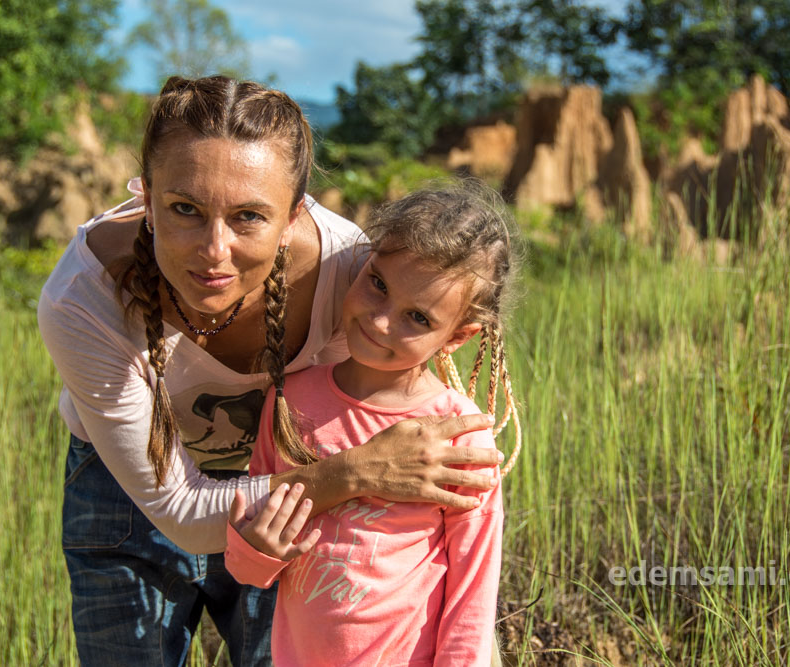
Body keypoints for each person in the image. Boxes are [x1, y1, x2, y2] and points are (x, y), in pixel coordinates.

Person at [37, 76, 501, 666]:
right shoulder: (82, 298)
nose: (214, 250)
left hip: (293, 476)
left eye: (249, 216)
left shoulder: (347, 272)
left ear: (293, 215)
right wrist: (356, 472)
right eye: (185, 209)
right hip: (133, 490)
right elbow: (180, 508)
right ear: (146, 196)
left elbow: (346, 418)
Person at [224, 183, 521, 666]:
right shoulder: (289, 397)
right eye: (378, 283)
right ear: (363, 262)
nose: (381, 321)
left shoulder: (459, 435)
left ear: (458, 336)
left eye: (418, 318)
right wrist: (258, 550)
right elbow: (246, 562)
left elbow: (473, 592)